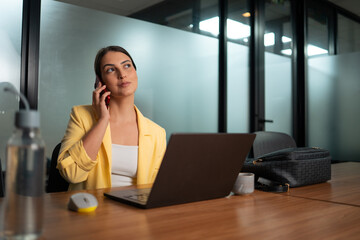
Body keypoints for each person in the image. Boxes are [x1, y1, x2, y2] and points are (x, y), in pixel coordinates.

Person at [57, 46, 166, 191]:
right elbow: (71, 174)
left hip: (136, 211)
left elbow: (156, 189)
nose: (122, 75)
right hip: (93, 210)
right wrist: (102, 121)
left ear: (135, 72)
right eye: (111, 70)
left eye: (127, 66)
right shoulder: (81, 115)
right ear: (100, 81)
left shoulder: (157, 133)